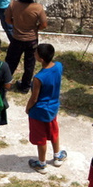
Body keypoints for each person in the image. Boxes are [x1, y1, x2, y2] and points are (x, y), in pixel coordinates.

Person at [24, 44, 67, 173]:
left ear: (41, 59)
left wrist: (27, 108)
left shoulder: (38, 78)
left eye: (36, 53)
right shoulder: (59, 66)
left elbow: (34, 98)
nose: (34, 54)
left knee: (41, 138)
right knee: (53, 131)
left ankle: (42, 164)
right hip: (53, 108)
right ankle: (57, 156)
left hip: (39, 111)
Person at [5, 0, 48, 93]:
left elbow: (8, 19)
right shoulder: (38, 8)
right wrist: (35, 28)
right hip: (31, 40)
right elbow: (44, 24)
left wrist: (16, 24)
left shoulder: (13, 4)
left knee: (11, 61)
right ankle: (25, 86)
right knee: (29, 64)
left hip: (16, 38)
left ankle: (5, 82)